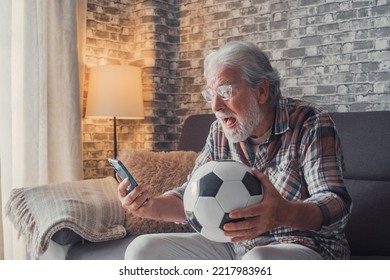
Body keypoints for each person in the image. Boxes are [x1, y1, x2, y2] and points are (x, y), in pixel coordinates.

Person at [117, 41, 352, 260]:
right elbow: (192, 196)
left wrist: (283, 213)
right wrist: (151, 206)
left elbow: (335, 203)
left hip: (303, 245)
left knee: (257, 260)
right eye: (211, 94)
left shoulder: (310, 122)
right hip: (235, 244)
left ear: (261, 91)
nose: (216, 106)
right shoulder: (219, 131)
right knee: (142, 250)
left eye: (226, 92)